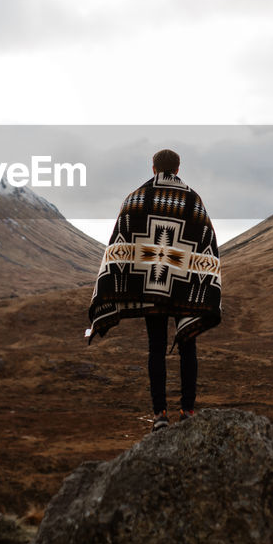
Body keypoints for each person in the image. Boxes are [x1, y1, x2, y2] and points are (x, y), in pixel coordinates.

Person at [86, 148, 222, 431]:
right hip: (184, 289)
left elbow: (119, 244)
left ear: (153, 167)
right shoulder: (193, 201)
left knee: (156, 349)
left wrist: (115, 283)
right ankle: (188, 410)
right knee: (188, 347)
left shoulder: (136, 199)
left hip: (150, 288)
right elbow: (207, 243)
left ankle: (160, 414)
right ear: (178, 167)